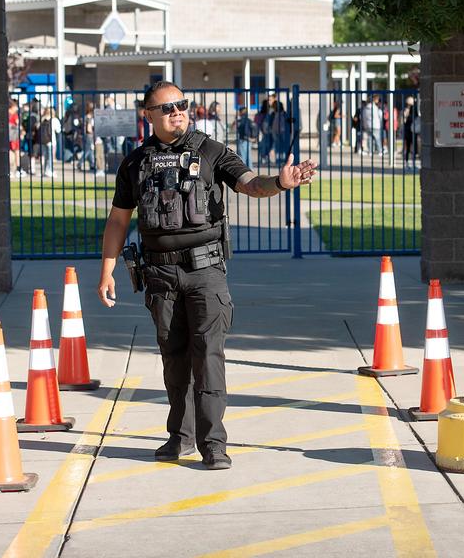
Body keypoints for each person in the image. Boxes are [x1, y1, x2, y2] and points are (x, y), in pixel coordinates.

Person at [96, 81, 317, 470]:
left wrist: (281, 183)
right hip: (160, 275)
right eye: (166, 108)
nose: (177, 111)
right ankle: (179, 438)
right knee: (173, 358)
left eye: (181, 104)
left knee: (208, 356)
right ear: (148, 115)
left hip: (206, 271)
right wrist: (107, 270)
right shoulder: (135, 162)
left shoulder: (211, 151)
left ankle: (213, 443)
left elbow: (250, 184)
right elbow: (118, 220)